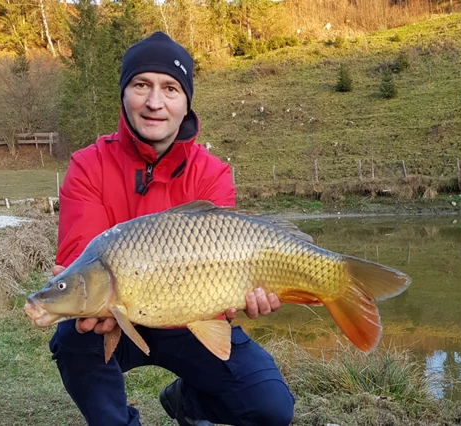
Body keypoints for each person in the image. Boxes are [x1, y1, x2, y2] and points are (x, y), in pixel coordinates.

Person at [49, 31, 295, 426]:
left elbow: (228, 262)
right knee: (73, 339)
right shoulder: (87, 165)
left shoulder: (212, 174)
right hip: (116, 319)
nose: (154, 102)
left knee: (272, 409)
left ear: (186, 104)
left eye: (170, 88)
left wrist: (249, 292)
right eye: (141, 85)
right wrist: (91, 304)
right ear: (124, 95)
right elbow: (82, 259)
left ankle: (189, 402)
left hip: (193, 318)